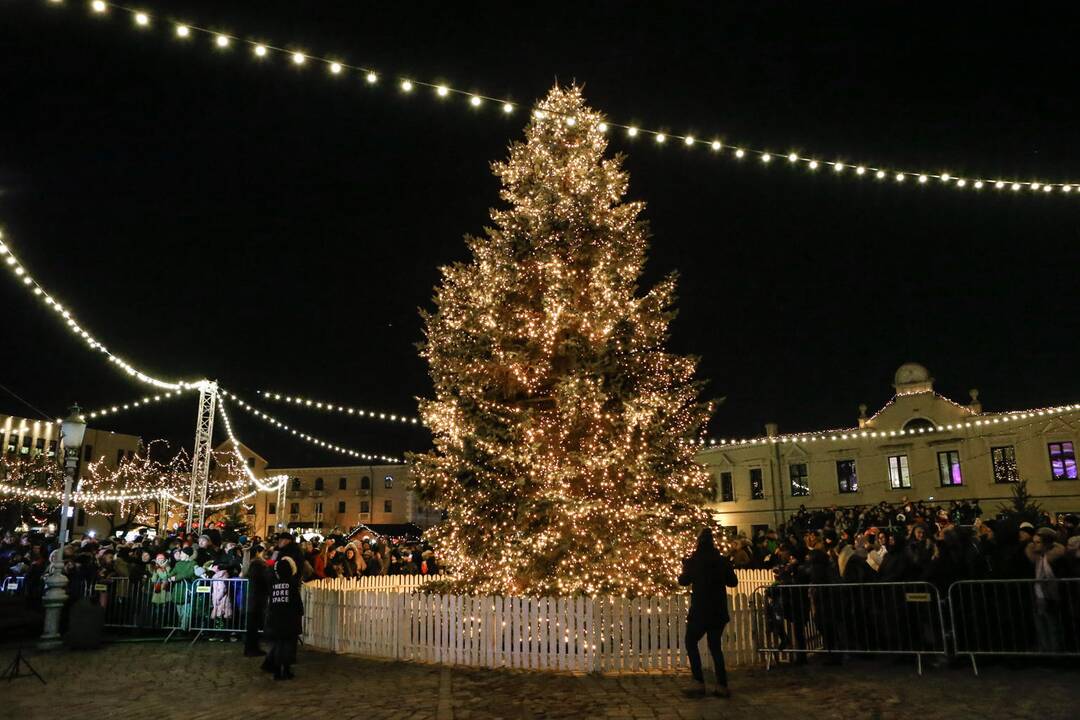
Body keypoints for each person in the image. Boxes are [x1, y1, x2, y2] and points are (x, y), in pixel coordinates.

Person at [678, 527, 738, 698]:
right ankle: (721, 685)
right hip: (718, 610)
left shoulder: (694, 561)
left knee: (690, 641)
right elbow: (733, 582)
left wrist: (685, 567)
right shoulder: (721, 561)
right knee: (715, 647)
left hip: (700, 610)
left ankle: (698, 681)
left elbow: (683, 581)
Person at [262, 556, 304, 680]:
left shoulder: (274, 584)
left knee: (278, 645)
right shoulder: (291, 584)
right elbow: (297, 602)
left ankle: (276, 671)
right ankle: (285, 670)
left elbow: (271, 602)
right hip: (289, 619)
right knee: (287, 646)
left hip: (275, 618)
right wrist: (300, 613)